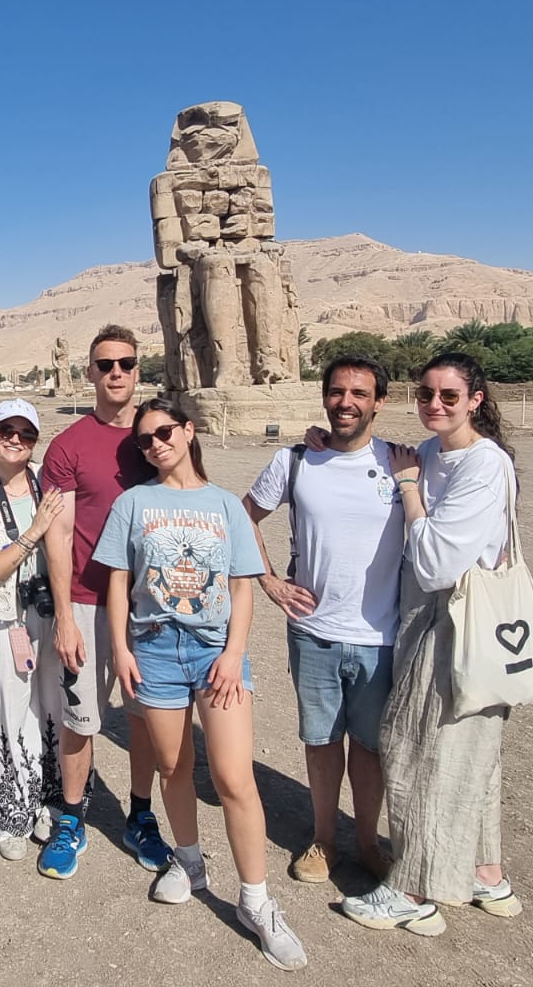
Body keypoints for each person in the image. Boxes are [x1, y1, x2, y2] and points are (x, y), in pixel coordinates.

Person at [93, 398, 308, 971]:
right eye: (144, 440)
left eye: (164, 432)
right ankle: (188, 862)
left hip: (215, 651)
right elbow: (119, 581)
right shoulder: (132, 503)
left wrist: (234, 654)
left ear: (189, 431)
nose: (155, 445)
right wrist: (122, 649)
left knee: (235, 778)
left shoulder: (225, 505)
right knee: (173, 767)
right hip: (154, 648)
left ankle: (256, 901)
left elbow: (241, 585)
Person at [340, 352, 524, 937]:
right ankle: (485, 873)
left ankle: (413, 889)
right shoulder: (429, 452)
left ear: (476, 400)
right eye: (425, 394)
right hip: (430, 621)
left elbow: (440, 563)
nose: (435, 405)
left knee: (417, 748)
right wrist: (324, 440)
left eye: (449, 396)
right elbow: (374, 456)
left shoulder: (483, 464)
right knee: (470, 755)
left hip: (456, 626)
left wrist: (410, 490)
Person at [244, 356, 402, 884]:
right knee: (321, 740)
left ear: (379, 401)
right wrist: (268, 579)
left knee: (371, 747)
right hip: (313, 631)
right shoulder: (295, 460)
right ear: (324, 397)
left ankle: (367, 842)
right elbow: (243, 515)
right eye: (337, 392)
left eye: (359, 394)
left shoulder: (403, 462)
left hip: (381, 633)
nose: (346, 403)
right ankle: (324, 839)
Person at [37, 324, 167, 880]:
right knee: (81, 717)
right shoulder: (68, 445)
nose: (117, 373)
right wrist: (65, 615)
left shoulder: (158, 437)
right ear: (90, 371)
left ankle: (140, 814)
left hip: (151, 605)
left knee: (143, 716)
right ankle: (71, 817)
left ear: (138, 369)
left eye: (126, 363)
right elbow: (60, 533)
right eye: (106, 364)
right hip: (88, 601)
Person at [0, 398, 66, 860]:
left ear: (36, 440)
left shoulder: (49, 481)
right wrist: (33, 531)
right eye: (7, 430)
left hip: (52, 613)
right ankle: (12, 813)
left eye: (26, 433)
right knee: (11, 710)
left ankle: (50, 801)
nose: (15, 440)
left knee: (53, 708)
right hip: (8, 619)